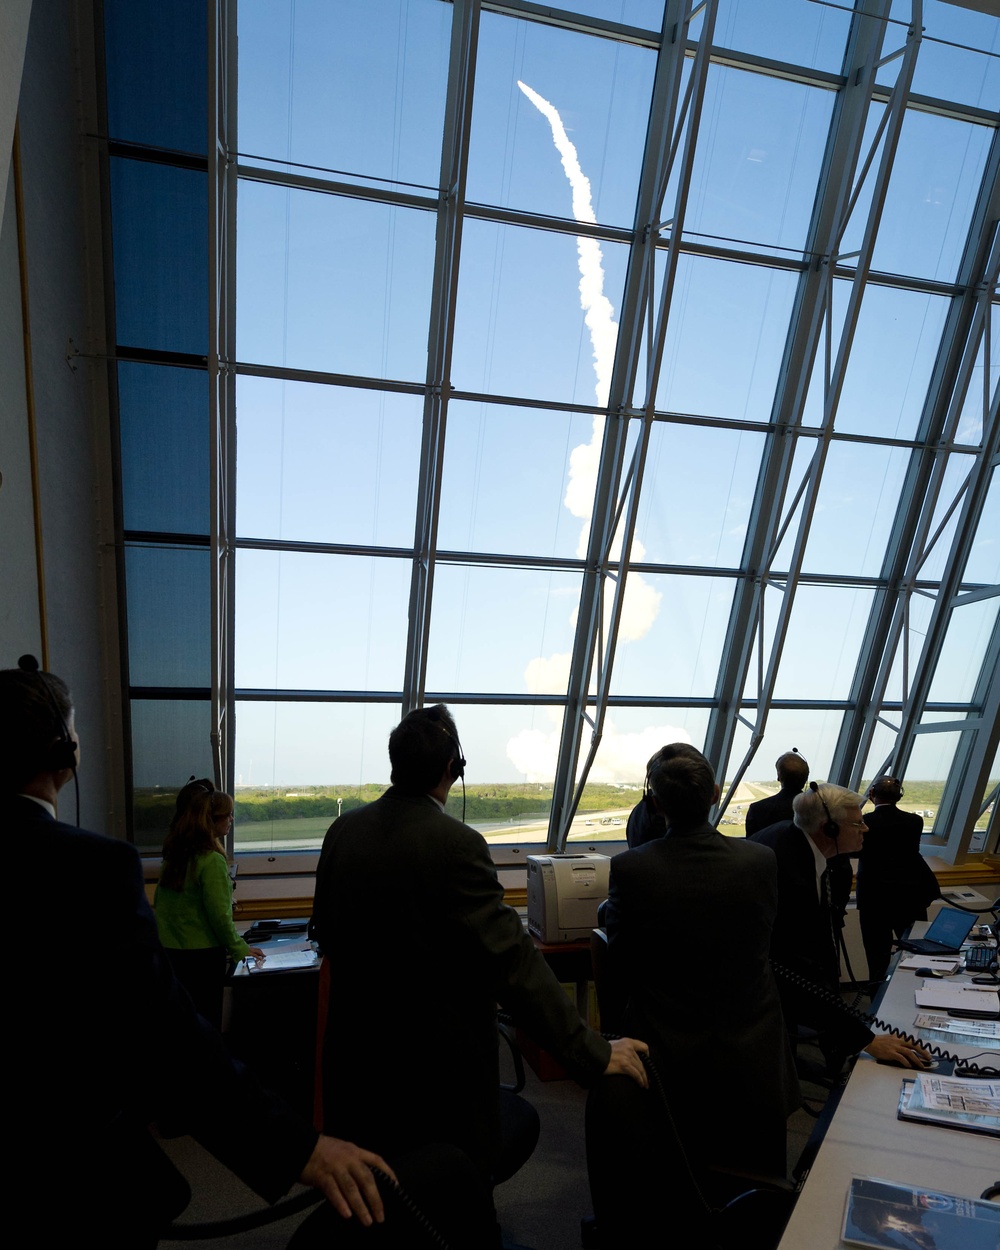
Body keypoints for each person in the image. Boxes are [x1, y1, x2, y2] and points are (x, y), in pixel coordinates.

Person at [2, 660, 403, 1247]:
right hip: (63, 1175)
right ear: (65, 750)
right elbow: (173, 1038)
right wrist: (300, 1148)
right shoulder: (92, 867)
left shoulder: (169, 858)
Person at [311, 704, 649, 1244]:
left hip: (356, 1076)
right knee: (458, 1191)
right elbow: (514, 965)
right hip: (433, 1085)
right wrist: (594, 1051)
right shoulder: (457, 844)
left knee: (385, 1199)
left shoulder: (341, 831)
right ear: (453, 769)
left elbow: (326, 932)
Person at [605, 745, 799, 1183]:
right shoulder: (761, 860)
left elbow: (623, 958)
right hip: (754, 1054)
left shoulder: (631, 869)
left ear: (655, 803)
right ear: (714, 794)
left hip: (669, 1058)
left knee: (674, 1184)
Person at [750, 783, 932, 1072]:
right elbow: (798, 966)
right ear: (829, 828)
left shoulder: (802, 845)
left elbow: (816, 952)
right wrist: (866, 1041)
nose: (866, 829)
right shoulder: (789, 870)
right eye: (858, 823)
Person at [154, 779, 265, 1028]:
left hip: (172, 955)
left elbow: (168, 905)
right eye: (227, 815)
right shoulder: (212, 861)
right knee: (206, 1025)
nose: (231, 820)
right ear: (212, 821)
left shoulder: (174, 856)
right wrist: (240, 948)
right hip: (202, 960)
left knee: (183, 1025)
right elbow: (219, 917)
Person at [856, 776, 938, 983]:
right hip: (909, 898)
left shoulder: (864, 823)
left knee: (876, 958)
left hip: (874, 901)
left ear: (872, 795)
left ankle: (876, 1004)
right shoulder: (914, 821)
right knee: (915, 953)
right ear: (899, 796)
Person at [744, 749, 809, 837]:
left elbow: (751, 844)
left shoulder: (757, 810)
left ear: (779, 777)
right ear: (806, 778)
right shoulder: (818, 809)